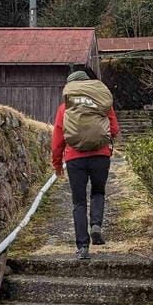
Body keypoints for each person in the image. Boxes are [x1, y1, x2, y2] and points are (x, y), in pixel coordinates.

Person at [52, 70, 120, 260]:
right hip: (101, 156)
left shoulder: (65, 107)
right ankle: (96, 225)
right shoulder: (103, 103)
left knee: (79, 202)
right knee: (98, 192)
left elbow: (58, 139)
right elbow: (114, 130)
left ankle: (83, 247)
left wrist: (57, 164)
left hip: (75, 158)